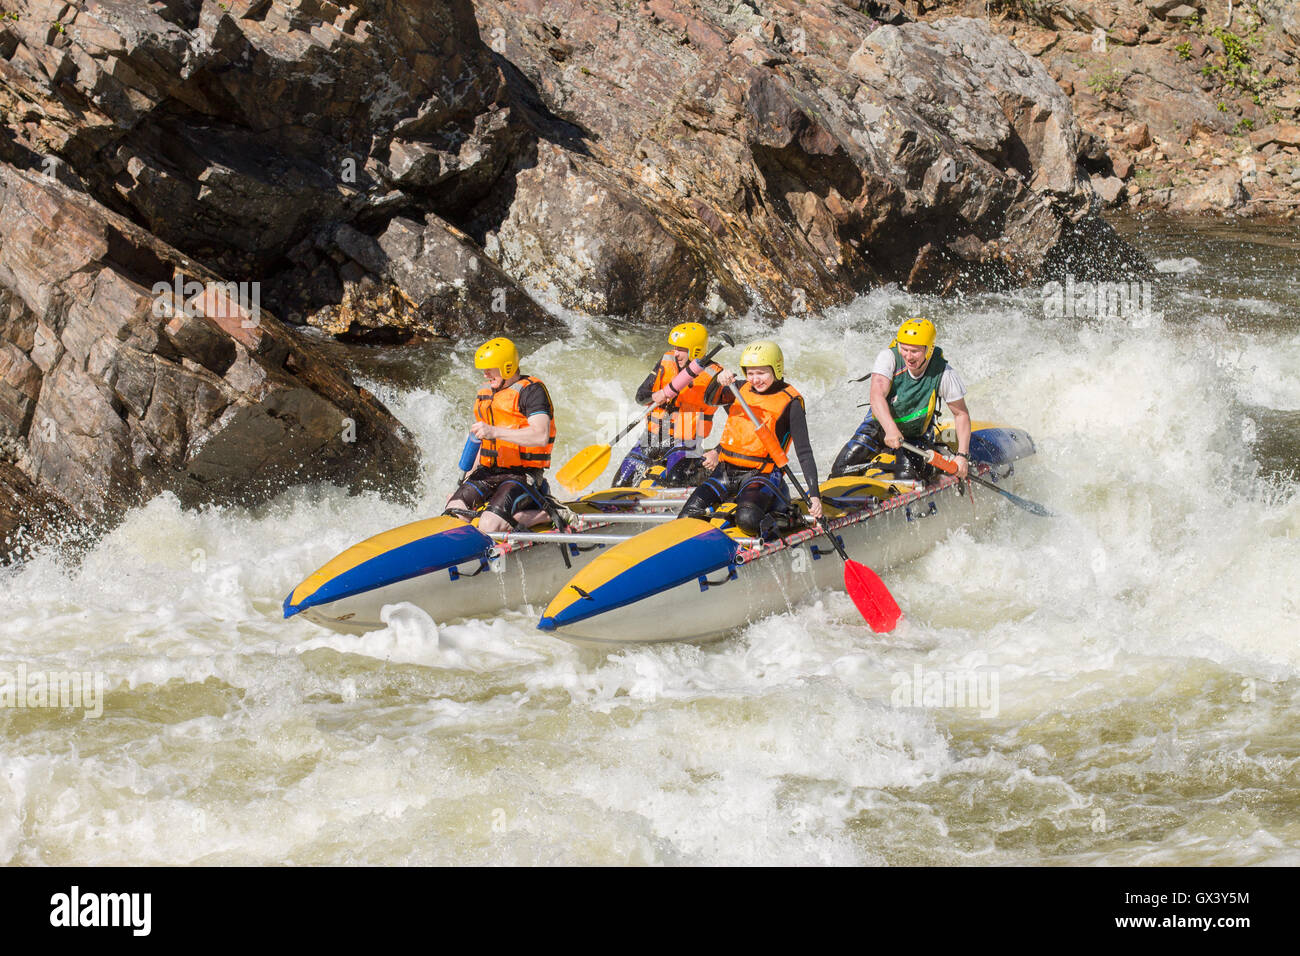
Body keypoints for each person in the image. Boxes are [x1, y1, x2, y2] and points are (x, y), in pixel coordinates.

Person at [678, 340, 822, 538]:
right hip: (725, 472)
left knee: (747, 520)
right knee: (686, 518)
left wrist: (814, 495)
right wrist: (717, 380)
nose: (755, 379)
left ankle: (786, 515)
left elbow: (804, 452)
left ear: (776, 369)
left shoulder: (791, 402)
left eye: (761, 372)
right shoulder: (738, 388)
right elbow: (710, 399)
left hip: (761, 475)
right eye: (750, 373)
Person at [828, 318, 971, 484]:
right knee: (840, 469)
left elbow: (960, 414)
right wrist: (890, 429)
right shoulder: (889, 357)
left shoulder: (945, 373)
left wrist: (962, 456)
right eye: (904, 349)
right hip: (880, 426)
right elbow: (876, 395)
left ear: (929, 350)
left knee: (906, 477)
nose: (908, 356)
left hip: (916, 435)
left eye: (915, 351)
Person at [445, 337, 558, 534]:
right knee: (453, 512)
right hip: (488, 472)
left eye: (490, 368)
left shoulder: (531, 391)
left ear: (507, 367)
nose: (485, 373)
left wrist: (494, 431)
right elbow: (484, 445)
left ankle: (547, 512)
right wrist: (467, 479)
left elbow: (540, 435)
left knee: (489, 525)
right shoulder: (487, 394)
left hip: (523, 475)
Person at [613, 322, 723, 487]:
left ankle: (703, 471)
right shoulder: (667, 360)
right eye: (675, 348)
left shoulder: (715, 376)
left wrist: (718, 451)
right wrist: (655, 395)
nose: (676, 354)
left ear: (696, 350)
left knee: (673, 481)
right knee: (620, 484)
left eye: (682, 350)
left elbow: (740, 420)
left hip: (686, 442)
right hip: (651, 438)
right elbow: (640, 396)